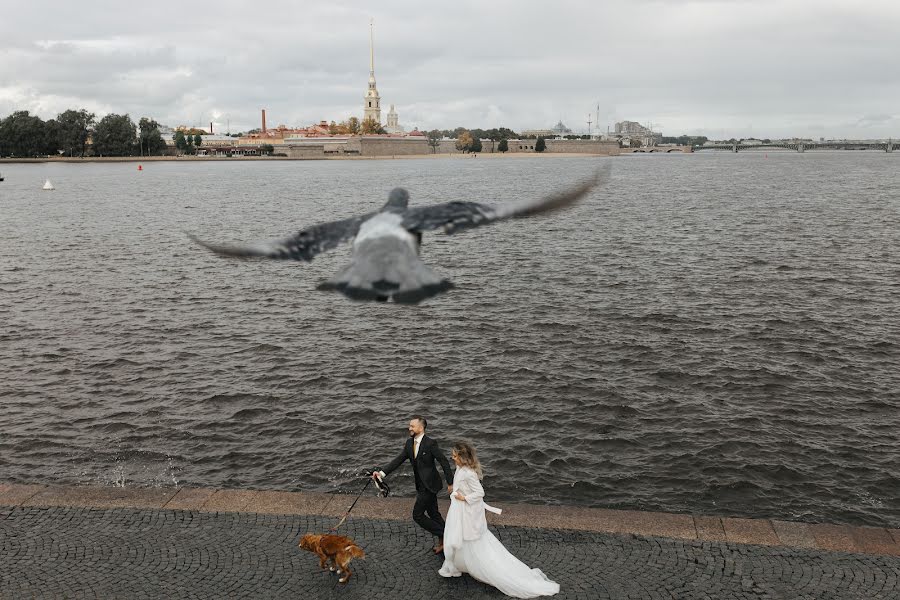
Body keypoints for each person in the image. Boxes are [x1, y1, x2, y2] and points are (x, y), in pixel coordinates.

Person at [439, 441, 560, 598]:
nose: (452, 457)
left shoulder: (469, 473)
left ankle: (477, 565)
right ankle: (460, 563)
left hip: (465, 511)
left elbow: (480, 493)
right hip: (458, 509)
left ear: (462, 457)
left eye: (455, 455)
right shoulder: (460, 468)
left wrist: (464, 497)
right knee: (457, 537)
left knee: (469, 538)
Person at [374, 416, 454, 553]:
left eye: (412, 426)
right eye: (409, 426)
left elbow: (444, 461)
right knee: (434, 513)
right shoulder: (408, 443)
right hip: (420, 485)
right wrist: (381, 473)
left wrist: (450, 482)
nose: (409, 428)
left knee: (417, 515)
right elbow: (398, 460)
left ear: (421, 428)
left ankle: (446, 535)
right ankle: (445, 541)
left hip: (430, 485)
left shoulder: (430, 443)